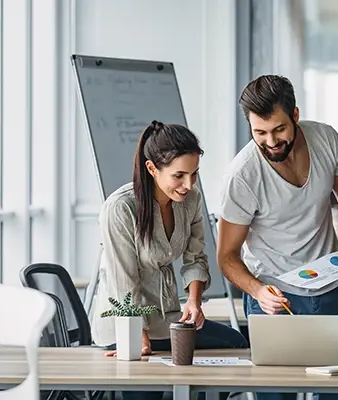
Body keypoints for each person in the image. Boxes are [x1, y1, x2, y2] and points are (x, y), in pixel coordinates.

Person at [217, 75, 338, 400]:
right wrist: (259, 291)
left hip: (327, 286)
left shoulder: (325, 138)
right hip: (273, 296)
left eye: (279, 129)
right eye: (259, 132)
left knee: (337, 394)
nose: (270, 141)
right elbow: (227, 257)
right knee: (276, 395)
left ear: (295, 115)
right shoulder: (242, 176)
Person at [90, 121, 248, 400]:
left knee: (235, 343)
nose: (188, 185)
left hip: (168, 317)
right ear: (152, 169)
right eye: (179, 176)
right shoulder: (121, 207)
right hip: (124, 322)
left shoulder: (191, 199)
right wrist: (135, 336)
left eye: (194, 174)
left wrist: (194, 301)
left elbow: (196, 256)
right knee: (145, 387)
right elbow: (123, 279)